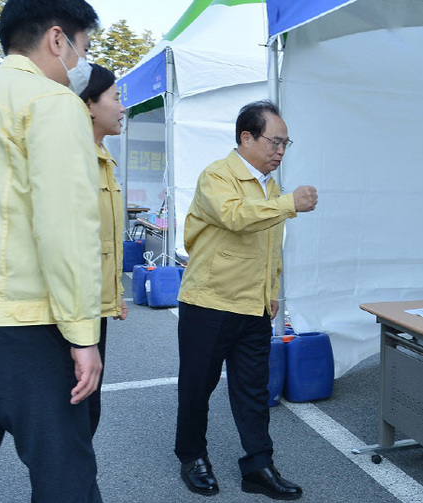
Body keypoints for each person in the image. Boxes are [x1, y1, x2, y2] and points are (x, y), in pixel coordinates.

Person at [0, 1, 104, 501]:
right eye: (84, 48)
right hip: (24, 326)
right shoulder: (50, 103)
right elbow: (66, 227)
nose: (83, 63)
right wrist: (82, 333)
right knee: (62, 474)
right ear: (58, 39)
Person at [175, 100, 317, 500]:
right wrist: (290, 204)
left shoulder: (269, 187)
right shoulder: (217, 176)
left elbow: (270, 247)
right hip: (209, 302)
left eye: (287, 144)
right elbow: (237, 217)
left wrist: (272, 295)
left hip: (253, 307)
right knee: (196, 386)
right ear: (246, 137)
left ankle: (258, 465)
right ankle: (191, 456)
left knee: (253, 391)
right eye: (275, 142)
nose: (281, 152)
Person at [79, 63, 128, 436]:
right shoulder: (74, 157)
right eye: (116, 97)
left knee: (88, 414)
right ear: (89, 104)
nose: (123, 107)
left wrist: (115, 294)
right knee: (74, 417)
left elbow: (104, 240)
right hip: (73, 312)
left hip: (94, 306)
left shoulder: (102, 156)